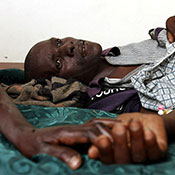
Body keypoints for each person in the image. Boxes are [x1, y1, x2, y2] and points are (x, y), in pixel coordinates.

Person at [0, 16, 175, 170]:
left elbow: (165, 37)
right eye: (59, 62)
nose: (68, 46)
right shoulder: (105, 98)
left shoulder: (119, 52)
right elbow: (154, 114)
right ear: (58, 83)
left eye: (59, 42)